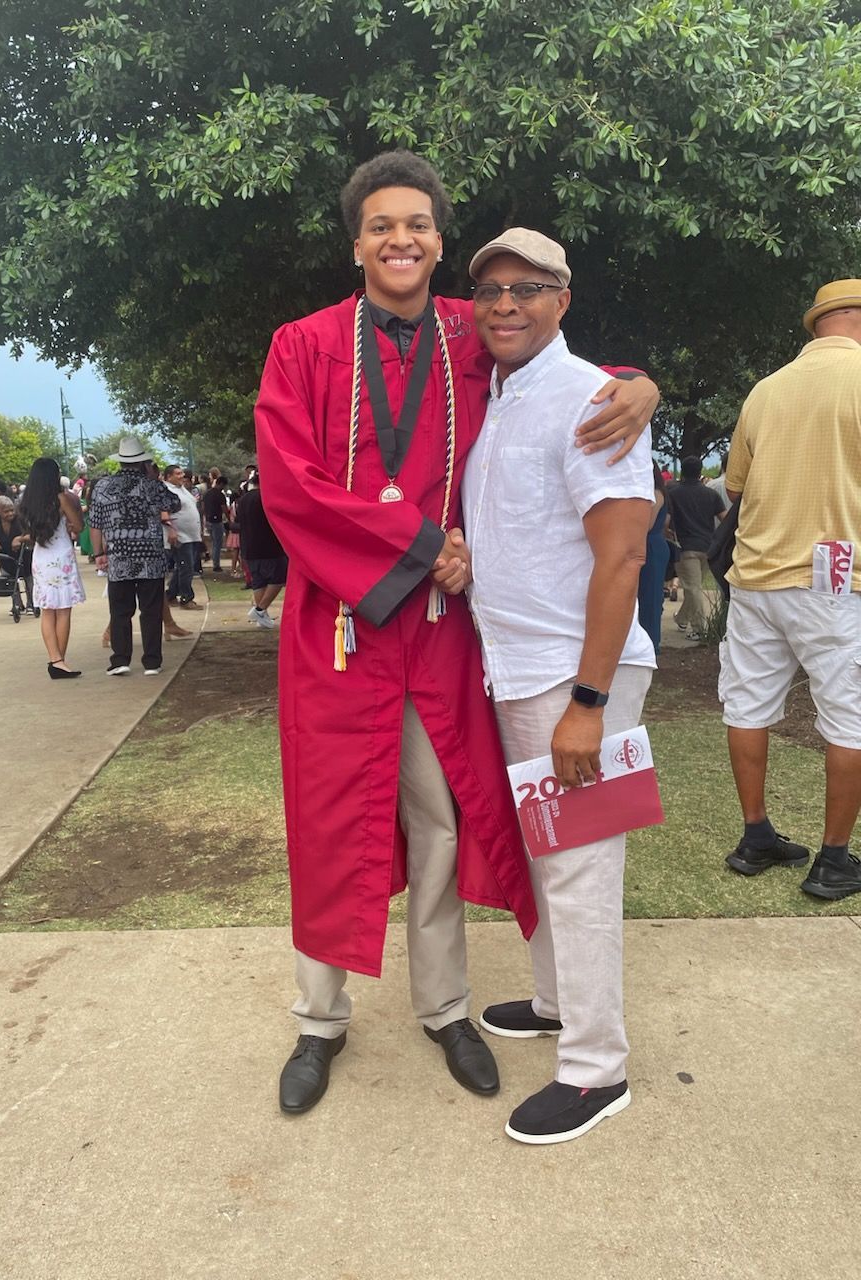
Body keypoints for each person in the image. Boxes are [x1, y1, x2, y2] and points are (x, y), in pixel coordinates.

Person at [254, 150, 659, 1116]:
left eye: (419, 225)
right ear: (357, 242)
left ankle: (445, 1007)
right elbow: (289, 487)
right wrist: (419, 543)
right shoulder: (302, 346)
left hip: (444, 634)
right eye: (383, 225)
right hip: (341, 624)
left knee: (441, 819)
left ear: (439, 239)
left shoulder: (466, 332)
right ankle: (320, 1020)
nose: (402, 240)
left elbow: (563, 363)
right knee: (326, 819)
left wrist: (640, 381)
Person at [460, 227, 656, 1145]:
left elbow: (623, 557)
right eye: (492, 288)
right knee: (550, 854)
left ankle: (595, 1069)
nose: (507, 302)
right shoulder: (502, 396)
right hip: (520, 668)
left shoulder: (589, 399)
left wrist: (588, 700)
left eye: (528, 288)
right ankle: (554, 1000)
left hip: (575, 675)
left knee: (579, 867)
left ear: (563, 300)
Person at [721, 278, 861, 900]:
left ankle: (756, 836)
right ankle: (834, 859)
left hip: (755, 575)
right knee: (848, 718)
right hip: (836, 577)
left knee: (747, 707)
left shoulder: (765, 390)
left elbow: (734, 487)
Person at [89, 437, 181, 676]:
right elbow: (175, 503)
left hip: (119, 557)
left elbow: (95, 524)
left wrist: (99, 552)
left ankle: (120, 659)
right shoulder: (152, 485)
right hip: (150, 556)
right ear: (144, 462)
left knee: (120, 610)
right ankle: (152, 661)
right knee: (150, 610)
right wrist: (154, 477)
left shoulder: (102, 487)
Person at [18, 457, 86, 678]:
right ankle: (59, 660)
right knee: (63, 610)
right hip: (61, 553)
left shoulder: (27, 501)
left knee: (48, 610)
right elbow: (78, 525)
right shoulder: (61, 498)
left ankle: (54, 657)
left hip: (41, 556)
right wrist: (70, 523)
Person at [665, 456, 725, 639]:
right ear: (700, 472)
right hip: (707, 548)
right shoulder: (711, 494)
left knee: (693, 589)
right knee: (694, 588)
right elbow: (725, 518)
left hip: (684, 547)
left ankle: (699, 629)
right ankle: (682, 618)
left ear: (682, 471)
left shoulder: (673, 494)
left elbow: (666, 520)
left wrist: (665, 533)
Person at [237, 474, 287, 629]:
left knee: (259, 581)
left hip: (249, 546)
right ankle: (260, 610)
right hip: (268, 546)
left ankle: (262, 617)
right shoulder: (265, 498)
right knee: (279, 577)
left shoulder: (243, 500)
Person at [637, 461, 670, 655]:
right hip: (651, 544)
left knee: (651, 597)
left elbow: (647, 524)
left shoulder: (656, 493)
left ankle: (652, 643)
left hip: (651, 546)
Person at [0, 496, 35, 612]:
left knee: (28, 578)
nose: (10, 514)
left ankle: (32, 603)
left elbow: (32, 535)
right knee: (9, 579)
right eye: (6, 512)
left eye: (12, 510)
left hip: (23, 554)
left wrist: (19, 539)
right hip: (4, 554)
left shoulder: (21, 518)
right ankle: (17, 604)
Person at [162, 464, 203, 611]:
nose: (181, 476)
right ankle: (186, 598)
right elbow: (164, 512)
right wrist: (171, 530)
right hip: (180, 536)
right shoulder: (167, 491)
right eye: (177, 474)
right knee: (187, 567)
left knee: (183, 567)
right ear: (168, 477)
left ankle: (170, 595)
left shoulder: (181, 489)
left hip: (191, 535)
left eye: (182, 473)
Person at [202, 473, 229, 572]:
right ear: (221, 484)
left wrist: (205, 516)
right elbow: (224, 509)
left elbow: (203, 506)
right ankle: (216, 564)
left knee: (213, 542)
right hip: (217, 520)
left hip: (208, 520)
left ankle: (215, 562)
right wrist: (229, 518)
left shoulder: (207, 493)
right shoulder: (220, 495)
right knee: (218, 543)